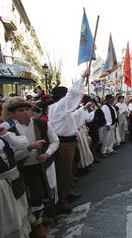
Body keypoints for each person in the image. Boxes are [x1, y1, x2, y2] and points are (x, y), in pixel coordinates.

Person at [7, 101, 60, 237]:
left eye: (27, 109)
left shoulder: (42, 124)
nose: (26, 113)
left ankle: (44, 216)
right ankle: (37, 223)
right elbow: (13, 157)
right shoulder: (10, 133)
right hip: (27, 168)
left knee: (49, 190)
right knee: (35, 195)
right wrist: (29, 148)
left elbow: (55, 141)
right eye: (21, 111)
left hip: (45, 164)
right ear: (13, 114)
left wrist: (47, 154)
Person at [48, 68, 90, 214]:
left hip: (70, 142)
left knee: (69, 171)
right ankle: (61, 201)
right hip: (63, 144)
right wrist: (82, 77)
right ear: (61, 98)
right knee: (63, 172)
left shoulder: (62, 110)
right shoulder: (56, 108)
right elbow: (72, 96)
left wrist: (84, 107)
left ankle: (67, 192)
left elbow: (74, 117)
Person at [0, 114, 31, 238]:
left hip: (14, 180)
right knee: (7, 217)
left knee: (20, 211)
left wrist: (5, 133)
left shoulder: (2, 139)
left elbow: (23, 143)